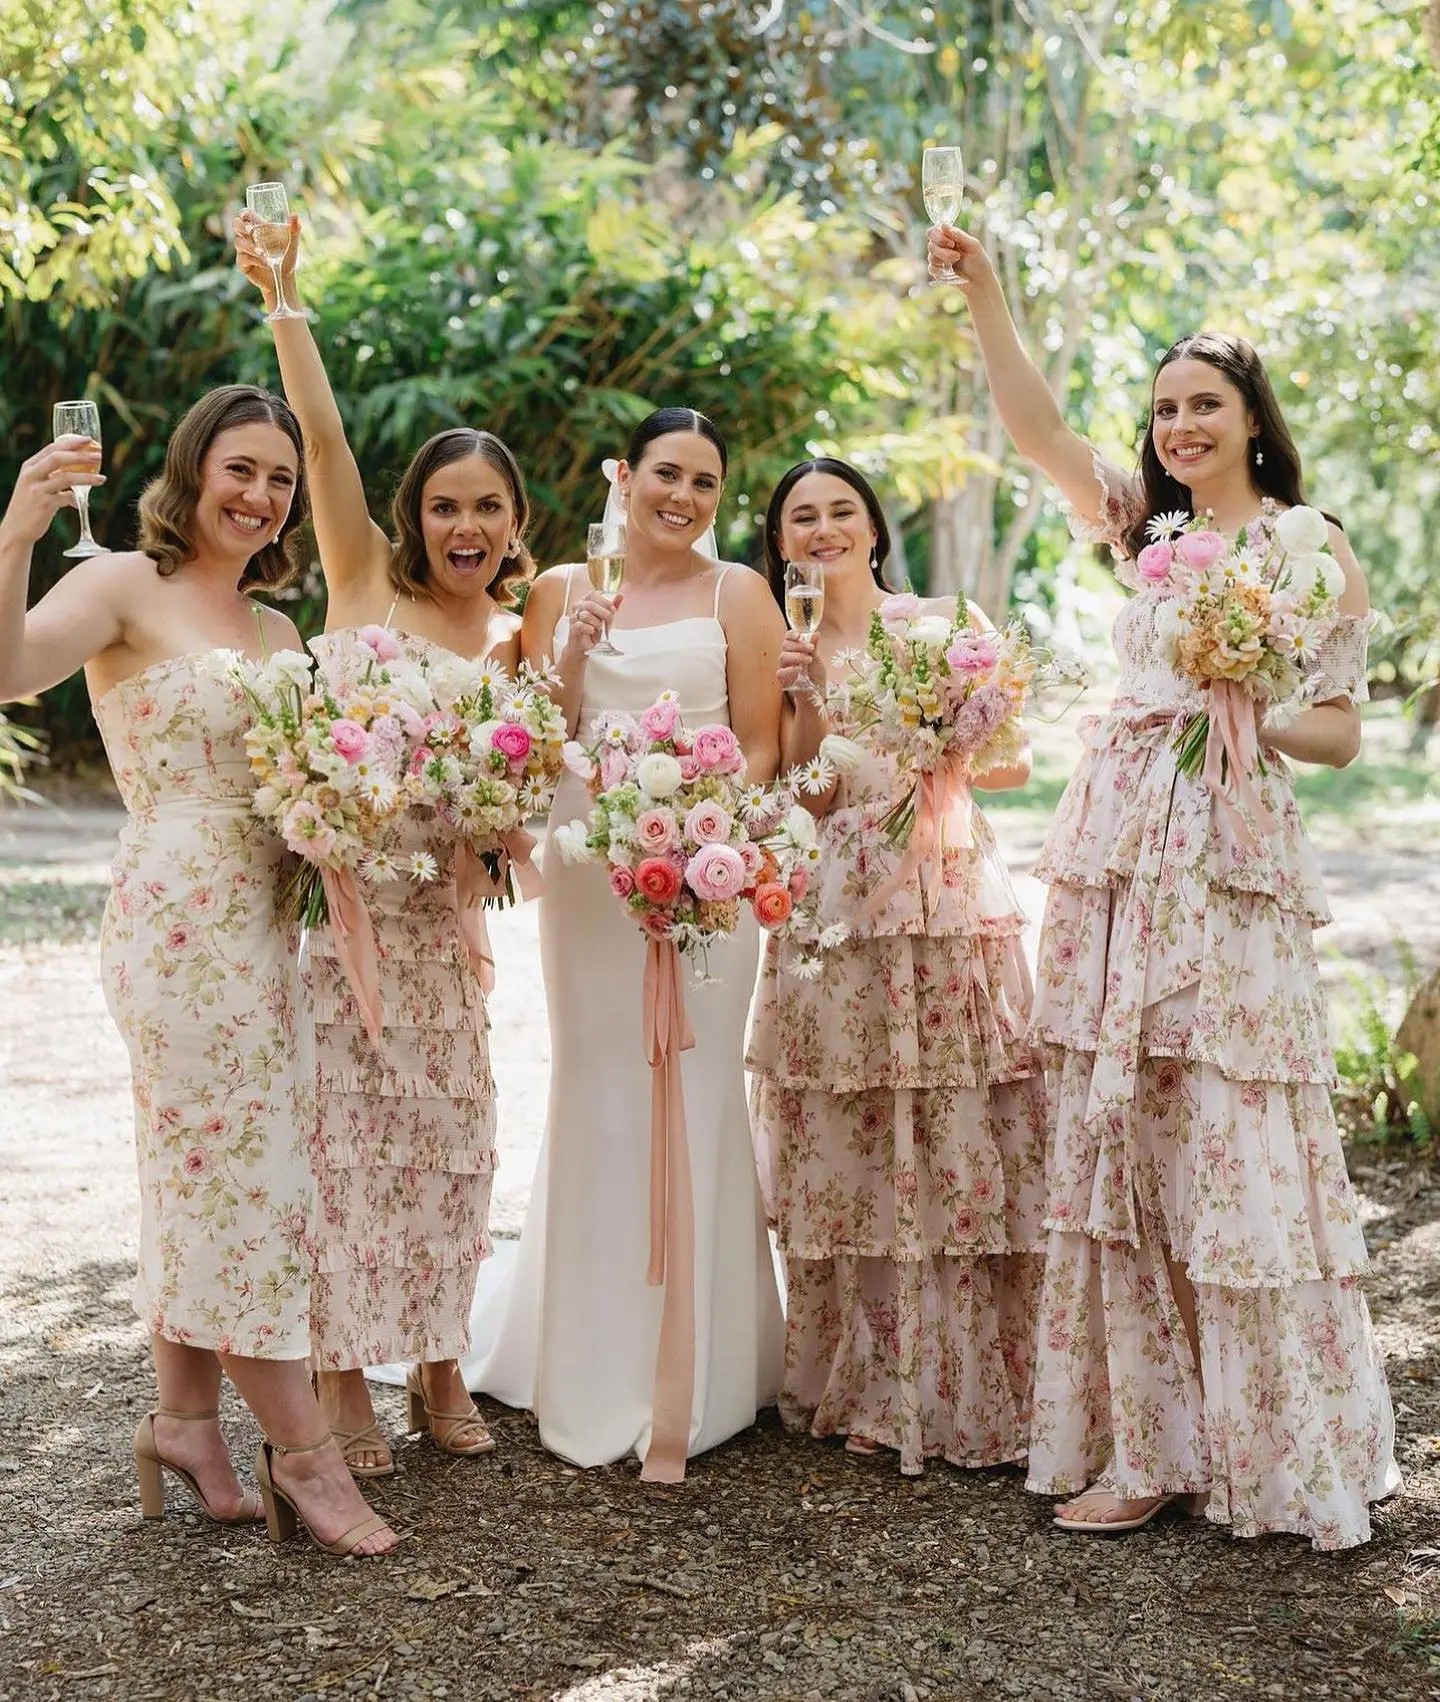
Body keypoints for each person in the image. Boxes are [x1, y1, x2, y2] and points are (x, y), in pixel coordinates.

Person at [926, 221, 1399, 1546]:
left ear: (1254, 419)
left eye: (1205, 404)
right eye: (1164, 409)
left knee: (1228, 1141)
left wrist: (1248, 688)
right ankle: (1146, 1443)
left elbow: (1339, 731)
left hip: (1232, 870)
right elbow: (1034, 432)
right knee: (1122, 1137)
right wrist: (987, 293)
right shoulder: (1149, 532)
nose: (1179, 425)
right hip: (1118, 863)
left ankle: (1269, 1446)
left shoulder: (1310, 544)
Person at [0, 386, 397, 1555]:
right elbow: (10, 672)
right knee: (240, 1181)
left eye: (280, 478)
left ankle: (184, 1422)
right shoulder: (124, 581)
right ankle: (306, 1456)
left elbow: (309, 780)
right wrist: (17, 530)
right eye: (243, 469)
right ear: (193, 469)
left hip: (271, 923)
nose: (262, 496)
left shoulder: (279, 633)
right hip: (179, 917)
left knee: (213, 1167)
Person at [234, 211, 525, 1474]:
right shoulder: (362, 579)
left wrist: (502, 828)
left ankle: (444, 1368)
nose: (465, 525)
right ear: (416, 514)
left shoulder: (515, 643)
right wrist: (285, 301)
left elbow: (524, 795)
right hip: (336, 925)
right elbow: (328, 435)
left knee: (453, 1148)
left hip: (437, 938)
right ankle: (347, 1387)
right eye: (446, 504)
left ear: (517, 523)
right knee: (342, 1160)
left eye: (489, 509)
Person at [464, 407, 786, 1475]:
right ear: (624, 475)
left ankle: (706, 1365)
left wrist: (698, 821)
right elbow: (532, 731)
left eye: (704, 480)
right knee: (599, 1078)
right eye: (666, 474)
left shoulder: (736, 589)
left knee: (694, 1086)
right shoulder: (560, 586)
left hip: (704, 873)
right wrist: (568, 656)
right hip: (586, 875)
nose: (683, 497)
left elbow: (760, 740)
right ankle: (585, 1350)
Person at [747, 457, 1049, 1475]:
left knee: (953, 1117)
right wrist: (804, 703)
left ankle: (963, 1382)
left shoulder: (942, 621)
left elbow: (1012, 760)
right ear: (783, 542)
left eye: (841, 511)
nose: (824, 529)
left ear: (872, 528)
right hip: (839, 904)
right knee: (853, 1132)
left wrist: (936, 740)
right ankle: (866, 1378)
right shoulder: (787, 646)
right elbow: (813, 797)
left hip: (942, 900)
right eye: (802, 518)